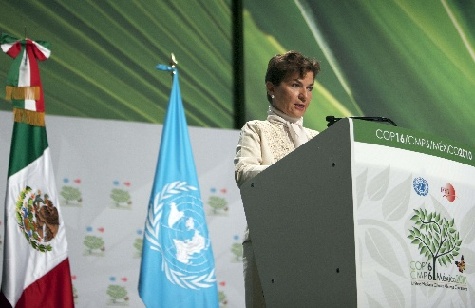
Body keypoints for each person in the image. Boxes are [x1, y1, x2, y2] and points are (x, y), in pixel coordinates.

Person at [234, 50, 321, 307]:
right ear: (272, 88)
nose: (304, 96)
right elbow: (243, 172)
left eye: (309, 87)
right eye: (295, 85)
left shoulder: (319, 139)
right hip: (267, 240)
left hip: (314, 243)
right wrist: (291, 170)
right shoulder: (256, 129)